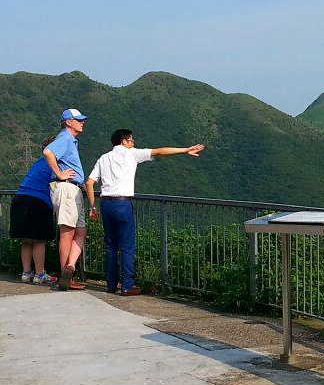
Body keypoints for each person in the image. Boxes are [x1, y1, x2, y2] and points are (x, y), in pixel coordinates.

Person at [85, 129, 205, 296]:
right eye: (132, 140)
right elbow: (160, 151)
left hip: (105, 204)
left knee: (111, 246)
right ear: (124, 141)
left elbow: (89, 183)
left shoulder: (103, 158)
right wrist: (185, 150)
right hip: (123, 204)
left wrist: (93, 207)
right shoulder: (132, 154)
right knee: (127, 246)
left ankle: (111, 285)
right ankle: (127, 285)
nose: (134, 143)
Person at [9, 132, 76, 285]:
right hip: (37, 202)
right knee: (39, 240)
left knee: (26, 241)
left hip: (20, 200)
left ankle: (26, 273)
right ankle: (40, 274)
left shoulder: (38, 162)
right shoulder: (55, 165)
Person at [49, 108, 89, 291]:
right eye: (78, 120)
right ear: (68, 122)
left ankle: (70, 267)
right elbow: (48, 152)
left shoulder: (71, 140)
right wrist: (59, 173)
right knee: (68, 231)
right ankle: (66, 275)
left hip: (74, 190)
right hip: (66, 187)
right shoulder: (64, 137)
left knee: (80, 230)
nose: (82, 122)